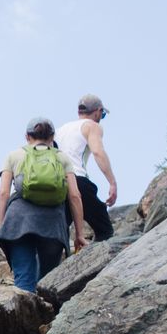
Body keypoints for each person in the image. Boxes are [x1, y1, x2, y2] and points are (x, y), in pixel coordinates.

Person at [0, 117, 84, 292]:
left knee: (24, 280)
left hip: (19, 222)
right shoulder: (61, 157)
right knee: (47, 282)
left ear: (27, 136)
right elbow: (75, 196)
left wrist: (2, 225)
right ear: (52, 137)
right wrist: (79, 234)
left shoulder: (14, 155)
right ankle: (44, 307)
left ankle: (24, 307)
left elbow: (3, 193)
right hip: (53, 224)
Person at [54, 94, 118, 243]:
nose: (101, 117)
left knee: (60, 229)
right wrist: (112, 182)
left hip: (57, 182)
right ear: (98, 111)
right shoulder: (92, 126)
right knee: (104, 229)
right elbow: (98, 152)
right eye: (102, 114)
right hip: (77, 180)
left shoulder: (60, 130)